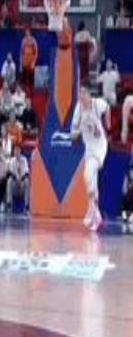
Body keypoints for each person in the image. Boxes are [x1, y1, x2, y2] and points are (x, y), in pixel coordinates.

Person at [70, 86, 110, 232]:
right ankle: (94, 213)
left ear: (88, 94)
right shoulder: (78, 110)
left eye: (83, 94)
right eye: (79, 94)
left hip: (100, 146)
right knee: (90, 180)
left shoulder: (97, 104)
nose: (81, 97)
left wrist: (108, 123)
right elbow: (72, 134)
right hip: (89, 148)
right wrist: (79, 131)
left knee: (88, 174)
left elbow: (108, 107)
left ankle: (94, 213)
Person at [6, 145, 30, 214]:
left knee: (27, 181)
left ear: (20, 152)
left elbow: (26, 172)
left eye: (18, 151)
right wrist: (17, 179)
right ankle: (9, 205)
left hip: (22, 184)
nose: (16, 152)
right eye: (15, 151)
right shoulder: (11, 160)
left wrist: (21, 179)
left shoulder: (24, 160)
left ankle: (27, 206)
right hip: (15, 184)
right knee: (9, 181)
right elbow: (10, 173)